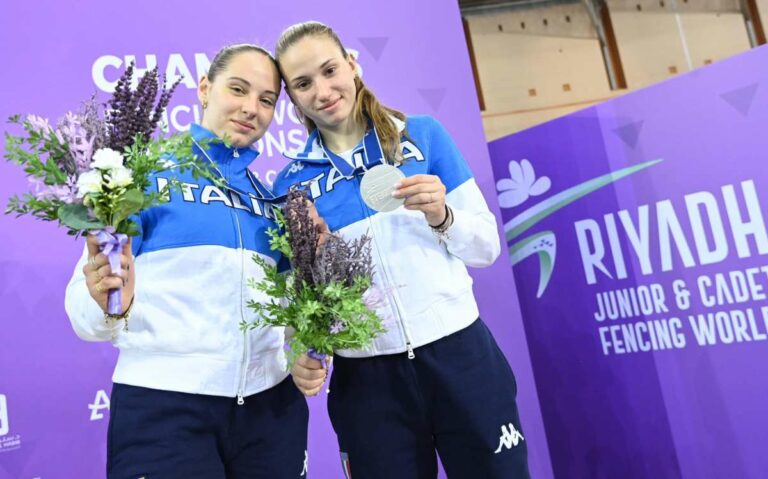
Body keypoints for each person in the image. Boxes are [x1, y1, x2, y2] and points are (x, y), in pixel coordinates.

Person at [271, 21, 530, 479]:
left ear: (352, 65)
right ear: (293, 97)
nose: (324, 90)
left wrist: (443, 215)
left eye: (330, 70)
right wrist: (301, 350)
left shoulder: (423, 135)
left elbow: (486, 246)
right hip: (368, 383)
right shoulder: (292, 185)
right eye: (304, 83)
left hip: (461, 357)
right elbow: (299, 298)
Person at [65, 44, 308, 479]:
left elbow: (289, 318)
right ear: (204, 88)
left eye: (267, 100)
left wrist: (310, 344)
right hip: (165, 411)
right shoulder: (140, 176)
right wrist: (104, 302)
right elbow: (85, 312)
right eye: (238, 89)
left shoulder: (271, 199)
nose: (251, 108)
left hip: (270, 412)